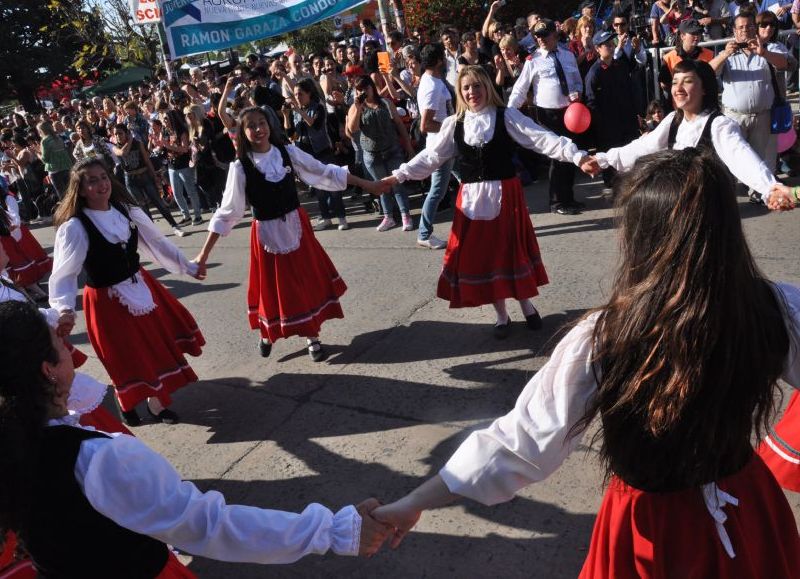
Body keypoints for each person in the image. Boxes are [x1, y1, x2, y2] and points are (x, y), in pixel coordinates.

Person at [370, 147, 800, 577]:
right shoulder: (772, 308)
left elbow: (521, 442)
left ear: (640, 237)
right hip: (747, 511)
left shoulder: (606, 337)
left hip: (652, 526)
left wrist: (411, 503)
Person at [0, 301, 392, 577]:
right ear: (49, 370)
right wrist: (338, 530)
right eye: (62, 346)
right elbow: (209, 525)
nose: (72, 352)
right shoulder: (99, 459)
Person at [378, 66, 597, 335]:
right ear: (460, 92)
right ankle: (501, 316)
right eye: (466, 87)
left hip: (506, 195)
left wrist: (577, 156)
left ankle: (527, 305)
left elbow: (541, 139)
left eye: (477, 86)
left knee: (509, 253)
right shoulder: (454, 124)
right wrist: (397, 176)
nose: (472, 92)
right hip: (471, 200)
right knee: (485, 258)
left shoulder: (506, 116)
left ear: (487, 87)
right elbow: (430, 157)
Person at [195, 107, 381, 362]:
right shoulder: (240, 167)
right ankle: (266, 332)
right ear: (242, 132)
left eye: (262, 123)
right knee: (271, 289)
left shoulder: (287, 152)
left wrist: (368, 184)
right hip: (266, 234)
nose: (259, 129)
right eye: (252, 126)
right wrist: (203, 255)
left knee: (304, 281)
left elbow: (323, 171)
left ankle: (312, 336)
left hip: (296, 225)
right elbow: (227, 212)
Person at [49, 158, 206, 427]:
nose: (101, 184)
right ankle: (126, 401)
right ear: (82, 189)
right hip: (106, 300)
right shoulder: (75, 227)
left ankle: (157, 404)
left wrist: (187, 266)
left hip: (140, 285)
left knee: (156, 345)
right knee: (123, 354)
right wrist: (63, 309)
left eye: (104, 177)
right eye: (93, 180)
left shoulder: (128, 212)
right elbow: (64, 273)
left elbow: (157, 243)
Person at [594, 59, 797, 211]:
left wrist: (770, 188)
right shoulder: (673, 119)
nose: (678, 89)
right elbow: (644, 147)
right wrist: (603, 159)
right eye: (675, 82)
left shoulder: (719, 125)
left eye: (687, 82)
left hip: (709, 210)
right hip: (678, 207)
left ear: (704, 89)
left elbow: (741, 157)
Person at [509, 19, 585, 215]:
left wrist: (577, 92)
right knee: (557, 157)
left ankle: (569, 198)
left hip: (570, 112)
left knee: (571, 153)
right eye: (538, 36)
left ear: (554, 35)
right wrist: (509, 112)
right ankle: (557, 202)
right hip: (548, 114)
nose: (541, 39)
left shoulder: (567, 55)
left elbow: (577, 80)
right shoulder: (533, 60)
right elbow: (520, 88)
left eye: (545, 35)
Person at [709, 10, 788, 193]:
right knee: (730, 158)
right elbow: (707, 73)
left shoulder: (768, 49)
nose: (745, 30)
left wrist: (763, 53)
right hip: (734, 117)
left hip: (762, 116)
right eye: (741, 27)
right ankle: (727, 195)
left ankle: (758, 194)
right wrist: (724, 55)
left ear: (756, 29)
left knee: (758, 160)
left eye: (750, 26)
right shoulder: (727, 53)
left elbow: (786, 64)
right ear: (735, 31)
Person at [346, 76, 416, 232]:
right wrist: (357, 108)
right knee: (381, 186)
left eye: (366, 88)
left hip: (392, 149)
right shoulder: (355, 107)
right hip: (372, 154)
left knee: (397, 183)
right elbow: (352, 130)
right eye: (360, 90)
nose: (363, 92)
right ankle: (388, 216)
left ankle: (405, 215)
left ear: (372, 88)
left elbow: (399, 124)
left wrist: (409, 147)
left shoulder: (385, 103)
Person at [282, 78, 349, 232]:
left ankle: (341, 218)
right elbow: (290, 133)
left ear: (309, 94)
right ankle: (326, 218)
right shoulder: (297, 112)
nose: (297, 97)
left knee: (333, 185)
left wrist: (299, 110)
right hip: (307, 155)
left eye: (300, 94)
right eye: (295, 94)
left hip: (323, 151)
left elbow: (316, 125)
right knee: (318, 188)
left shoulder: (318, 107)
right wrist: (286, 116)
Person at [585, 31, 640, 190]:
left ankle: (631, 185)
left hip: (626, 121)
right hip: (608, 125)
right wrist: (600, 125)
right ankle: (612, 188)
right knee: (610, 158)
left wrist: (635, 114)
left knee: (630, 153)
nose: (610, 46)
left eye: (611, 43)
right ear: (597, 48)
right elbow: (591, 101)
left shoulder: (620, 65)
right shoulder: (594, 73)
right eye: (606, 45)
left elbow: (630, 91)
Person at [111, 124, 185, 237]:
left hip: (144, 176)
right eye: (115, 134)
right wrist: (130, 140)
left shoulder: (138, 144)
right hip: (130, 179)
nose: (117, 136)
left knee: (159, 202)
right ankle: (154, 232)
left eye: (120, 133)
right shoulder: (115, 147)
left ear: (126, 133)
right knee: (143, 207)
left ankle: (175, 226)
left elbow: (147, 160)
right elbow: (123, 153)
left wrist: (154, 176)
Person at [415, 43, 454, 249]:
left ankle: (478, 221)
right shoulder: (431, 85)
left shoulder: (434, 80)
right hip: (441, 146)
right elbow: (426, 124)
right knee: (437, 190)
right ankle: (424, 233)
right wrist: (452, 126)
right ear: (439, 60)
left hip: (449, 143)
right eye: (444, 57)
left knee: (469, 179)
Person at [659, 19, 714, 92]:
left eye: (698, 33)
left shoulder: (709, 54)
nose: (697, 36)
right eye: (693, 33)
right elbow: (664, 84)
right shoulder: (668, 58)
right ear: (682, 36)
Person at [37, 120, 72, 200]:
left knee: (63, 195)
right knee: (71, 191)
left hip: (55, 171)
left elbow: (45, 159)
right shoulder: (58, 137)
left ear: (41, 131)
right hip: (66, 167)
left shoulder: (45, 141)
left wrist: (37, 154)